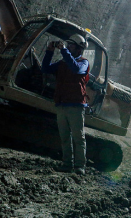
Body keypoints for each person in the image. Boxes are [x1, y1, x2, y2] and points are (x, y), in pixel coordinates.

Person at [42, 34, 89, 175]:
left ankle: (80, 166)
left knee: (78, 137)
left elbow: (76, 69)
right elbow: (45, 68)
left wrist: (63, 50)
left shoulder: (83, 62)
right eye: (67, 45)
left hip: (76, 105)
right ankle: (67, 164)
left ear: (79, 49)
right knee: (64, 137)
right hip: (62, 104)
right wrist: (49, 51)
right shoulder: (63, 63)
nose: (68, 47)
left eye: (71, 46)